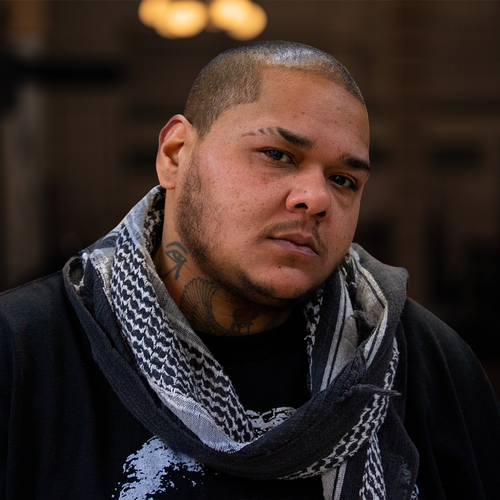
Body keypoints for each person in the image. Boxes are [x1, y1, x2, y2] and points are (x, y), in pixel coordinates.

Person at [1, 41, 499, 500]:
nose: (317, 198)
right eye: (278, 155)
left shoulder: (426, 364)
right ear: (175, 154)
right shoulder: (23, 354)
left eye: (343, 179)